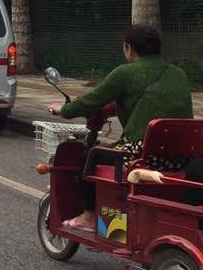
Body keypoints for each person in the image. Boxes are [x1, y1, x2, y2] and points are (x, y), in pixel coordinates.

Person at [46, 23, 193, 230]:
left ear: (128, 48)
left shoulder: (125, 73)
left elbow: (90, 101)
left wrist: (63, 109)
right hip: (180, 159)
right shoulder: (178, 74)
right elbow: (150, 101)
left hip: (143, 157)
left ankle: (90, 216)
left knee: (89, 156)